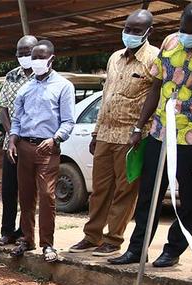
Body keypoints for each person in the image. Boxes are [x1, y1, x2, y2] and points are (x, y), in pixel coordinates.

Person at [110, 2, 192, 268]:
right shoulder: (171, 42)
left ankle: (173, 250)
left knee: (186, 198)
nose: (187, 35)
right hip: (160, 132)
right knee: (149, 193)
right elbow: (156, 86)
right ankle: (137, 249)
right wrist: (140, 126)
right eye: (184, 29)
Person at [69, 11, 159, 257]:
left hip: (132, 136)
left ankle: (113, 239)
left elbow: (157, 97)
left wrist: (140, 129)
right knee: (99, 189)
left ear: (148, 32)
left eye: (136, 30)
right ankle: (92, 236)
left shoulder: (154, 58)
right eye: (127, 28)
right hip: (106, 134)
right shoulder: (115, 57)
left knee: (125, 190)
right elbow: (107, 96)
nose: (129, 34)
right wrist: (96, 133)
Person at [8, 40, 75, 262]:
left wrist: (55, 138)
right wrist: (12, 140)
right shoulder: (26, 87)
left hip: (48, 148)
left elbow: (68, 121)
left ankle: (48, 244)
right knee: (26, 197)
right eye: (33, 57)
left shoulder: (64, 86)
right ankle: (27, 239)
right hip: (24, 146)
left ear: (51, 59)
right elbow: (17, 118)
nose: (35, 61)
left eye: (40, 57)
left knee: (47, 195)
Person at [0, 35, 38, 246]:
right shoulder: (11, 76)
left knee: (28, 190)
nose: (24, 56)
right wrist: (12, 134)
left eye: (28, 52)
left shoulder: (42, 77)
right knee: (9, 189)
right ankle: (7, 231)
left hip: (33, 143)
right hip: (11, 143)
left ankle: (24, 232)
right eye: (20, 53)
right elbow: (3, 108)